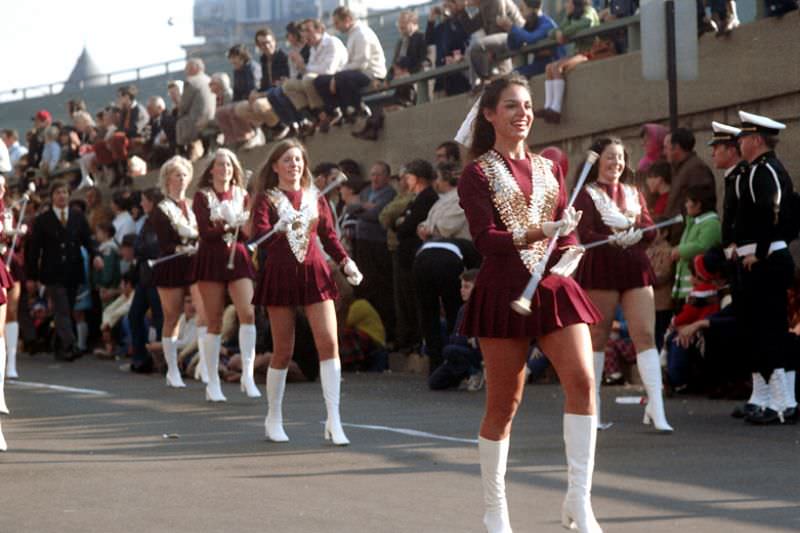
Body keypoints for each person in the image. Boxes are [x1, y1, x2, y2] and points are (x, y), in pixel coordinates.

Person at [457, 75, 602, 533]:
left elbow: (566, 229)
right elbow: (486, 240)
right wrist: (542, 232)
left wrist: (571, 251)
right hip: (503, 290)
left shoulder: (550, 168)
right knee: (505, 402)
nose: (523, 113)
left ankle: (579, 501)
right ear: (489, 115)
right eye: (511, 106)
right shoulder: (477, 172)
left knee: (582, 382)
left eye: (527, 105)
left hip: (552, 287)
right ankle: (495, 508)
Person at [250, 139, 364, 445]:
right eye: (287, 160)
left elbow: (328, 235)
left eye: (298, 160)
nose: (294, 165)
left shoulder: (316, 196)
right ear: (275, 166)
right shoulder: (266, 199)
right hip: (281, 275)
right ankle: (274, 415)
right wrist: (277, 229)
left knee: (329, 343)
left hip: (315, 272)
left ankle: (334, 419)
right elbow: (258, 237)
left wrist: (345, 261)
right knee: (283, 350)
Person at [573, 136, 673, 433]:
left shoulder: (633, 191)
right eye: (609, 157)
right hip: (601, 266)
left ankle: (657, 407)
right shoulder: (586, 193)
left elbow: (650, 229)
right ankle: (593, 409)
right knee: (597, 336)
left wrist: (638, 233)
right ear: (597, 160)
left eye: (620, 157)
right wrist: (611, 239)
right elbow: (584, 232)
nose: (616, 163)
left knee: (645, 333)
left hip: (634, 266)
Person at [732, 110, 796, 424]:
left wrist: (758, 251)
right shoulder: (755, 169)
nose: (739, 142)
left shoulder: (766, 170)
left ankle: (784, 404)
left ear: (756, 140)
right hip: (761, 258)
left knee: (770, 332)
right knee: (760, 333)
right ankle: (774, 400)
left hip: (768, 259)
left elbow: (774, 210)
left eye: (743, 137)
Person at [192, 149, 258, 402]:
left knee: (248, 313)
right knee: (214, 320)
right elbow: (205, 232)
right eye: (220, 165)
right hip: (211, 258)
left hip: (237, 257)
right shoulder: (202, 196)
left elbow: (247, 234)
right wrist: (226, 225)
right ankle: (213, 382)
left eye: (229, 164)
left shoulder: (242, 195)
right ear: (211, 170)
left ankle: (248, 375)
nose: (225, 169)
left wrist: (243, 223)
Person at [149, 156, 210, 388]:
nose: (182, 178)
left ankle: (205, 364)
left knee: (204, 313)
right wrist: (186, 243)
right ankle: (172, 369)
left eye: (185, 174)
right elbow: (165, 242)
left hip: (194, 262)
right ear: (168, 179)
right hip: (172, 264)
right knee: (172, 316)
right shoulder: (161, 209)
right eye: (177, 174)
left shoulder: (194, 204)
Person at [26, 180, 101, 361]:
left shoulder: (77, 217)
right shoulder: (43, 220)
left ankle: (60, 346)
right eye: (58, 193)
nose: (62, 196)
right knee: (62, 309)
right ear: (52, 197)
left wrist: (95, 255)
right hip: (53, 272)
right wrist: (32, 276)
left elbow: (87, 240)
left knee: (67, 307)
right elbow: (34, 249)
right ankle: (70, 345)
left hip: (73, 270)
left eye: (65, 193)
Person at [314, 7, 386, 128]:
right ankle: (336, 112)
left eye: (337, 23)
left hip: (371, 74)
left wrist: (337, 75)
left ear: (347, 19)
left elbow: (361, 63)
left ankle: (358, 108)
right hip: (358, 73)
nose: (336, 26)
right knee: (320, 81)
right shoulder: (353, 34)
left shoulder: (362, 33)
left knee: (342, 77)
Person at [538, 0, 600, 124]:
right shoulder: (570, 16)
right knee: (549, 67)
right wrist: (559, 32)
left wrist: (564, 33)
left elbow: (586, 23)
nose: (565, 5)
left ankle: (556, 109)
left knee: (557, 67)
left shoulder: (589, 11)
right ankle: (548, 107)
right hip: (579, 53)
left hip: (591, 52)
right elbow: (552, 32)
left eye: (567, 2)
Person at [670, 185, 721, 303]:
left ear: (698, 204)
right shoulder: (693, 223)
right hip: (686, 288)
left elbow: (703, 246)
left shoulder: (711, 223)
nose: (686, 205)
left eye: (688, 201)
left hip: (698, 288)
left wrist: (680, 251)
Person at [707, 120, 747, 248]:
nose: (712, 154)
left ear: (731, 151)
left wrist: (737, 242)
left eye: (716, 148)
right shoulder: (733, 176)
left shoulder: (742, 176)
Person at [501, 0, 563, 78]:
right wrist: (510, 29)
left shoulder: (547, 24)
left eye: (523, 9)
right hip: (538, 63)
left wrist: (512, 27)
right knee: (511, 74)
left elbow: (531, 38)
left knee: (513, 75)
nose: (520, 13)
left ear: (532, 9)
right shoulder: (530, 24)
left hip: (552, 61)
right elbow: (513, 46)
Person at [177, 59, 216, 158]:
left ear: (196, 68)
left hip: (197, 120)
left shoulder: (191, 82)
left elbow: (183, 107)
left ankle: (183, 154)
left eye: (187, 68)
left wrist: (179, 111)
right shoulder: (210, 79)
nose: (186, 71)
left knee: (178, 122)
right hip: (212, 116)